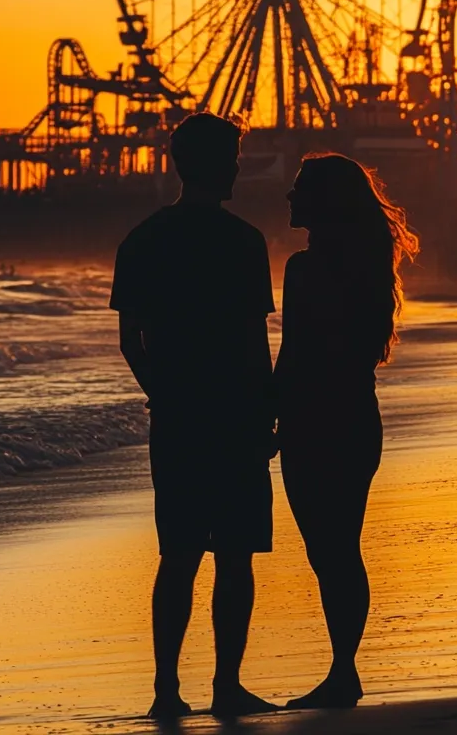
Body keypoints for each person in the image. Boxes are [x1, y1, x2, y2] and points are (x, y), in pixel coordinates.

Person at [110, 113, 277, 722]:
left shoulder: (142, 239)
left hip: (177, 420)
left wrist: (165, 394)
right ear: (213, 163)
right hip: (236, 415)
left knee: (178, 553)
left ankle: (165, 690)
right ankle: (226, 686)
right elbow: (255, 342)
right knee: (236, 553)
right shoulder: (245, 241)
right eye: (234, 157)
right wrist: (266, 415)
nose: (238, 167)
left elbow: (132, 341)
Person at [275, 154, 418, 709]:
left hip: (315, 419)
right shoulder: (368, 264)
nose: (289, 198)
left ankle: (343, 673)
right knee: (341, 548)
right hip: (357, 415)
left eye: (298, 189)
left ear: (323, 200)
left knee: (326, 550)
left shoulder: (307, 269)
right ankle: (343, 668)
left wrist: (271, 416)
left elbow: (295, 354)